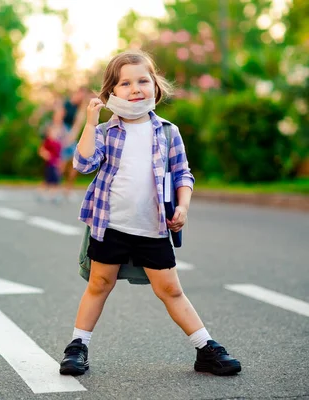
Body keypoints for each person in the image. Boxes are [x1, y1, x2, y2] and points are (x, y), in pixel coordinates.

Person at [59, 50, 241, 377]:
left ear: (155, 86)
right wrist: (89, 123)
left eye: (143, 80)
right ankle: (77, 346)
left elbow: (183, 174)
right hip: (110, 225)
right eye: (125, 83)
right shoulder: (105, 132)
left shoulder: (168, 132)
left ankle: (206, 348)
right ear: (111, 93)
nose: (135, 88)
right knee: (99, 284)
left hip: (153, 227)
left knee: (170, 289)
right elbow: (83, 163)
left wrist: (183, 207)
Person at [59, 87, 93, 201]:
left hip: (71, 135)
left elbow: (77, 124)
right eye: (81, 95)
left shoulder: (80, 108)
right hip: (61, 132)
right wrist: (61, 136)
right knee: (60, 164)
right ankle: (55, 188)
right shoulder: (66, 103)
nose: (81, 98)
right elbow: (58, 119)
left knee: (75, 163)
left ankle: (68, 190)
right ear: (77, 93)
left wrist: (71, 137)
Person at [37, 118, 64, 203]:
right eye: (53, 132)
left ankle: (53, 196)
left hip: (55, 164)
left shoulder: (58, 143)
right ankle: (40, 192)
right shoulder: (48, 142)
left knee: (55, 180)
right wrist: (46, 155)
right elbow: (41, 150)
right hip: (49, 164)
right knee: (48, 180)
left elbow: (59, 155)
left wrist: (60, 163)